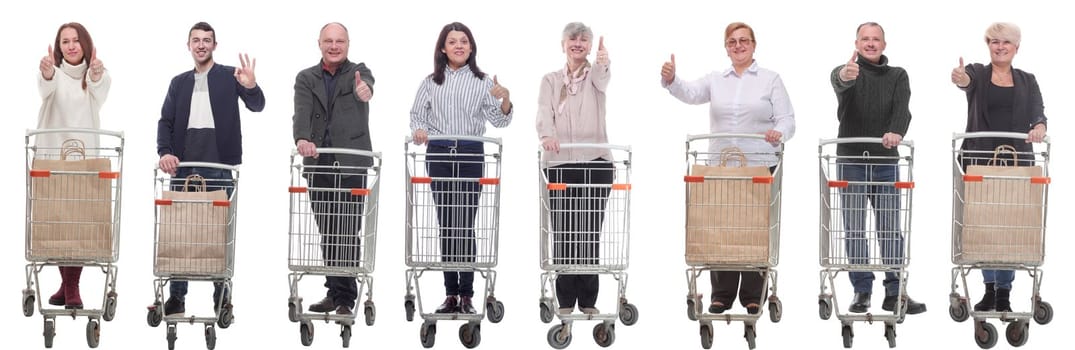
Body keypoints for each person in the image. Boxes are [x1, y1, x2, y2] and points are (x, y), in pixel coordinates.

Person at [661, 22, 794, 315]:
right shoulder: (716, 79)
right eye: (732, 42)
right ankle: (721, 293)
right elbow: (691, 93)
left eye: (743, 40)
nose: (738, 46)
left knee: (754, 229)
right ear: (726, 47)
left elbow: (787, 119)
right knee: (721, 227)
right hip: (721, 167)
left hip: (758, 166)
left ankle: (752, 293)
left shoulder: (771, 79)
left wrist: (778, 133)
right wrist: (672, 80)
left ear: (754, 45)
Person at [156, 21, 264, 316]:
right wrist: (165, 152)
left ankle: (221, 297)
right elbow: (165, 121)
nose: (201, 45)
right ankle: (176, 298)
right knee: (179, 235)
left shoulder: (231, 76)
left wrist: (251, 86)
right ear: (188, 45)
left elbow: (258, 106)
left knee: (219, 236)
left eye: (207, 40)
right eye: (196, 40)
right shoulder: (178, 82)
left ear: (215, 45)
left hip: (219, 167)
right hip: (184, 168)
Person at [409, 21, 512, 314]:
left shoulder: (483, 81)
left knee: (464, 223)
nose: (459, 46)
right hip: (439, 152)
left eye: (464, 41)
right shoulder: (430, 81)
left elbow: (500, 120)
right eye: (452, 41)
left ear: (471, 47)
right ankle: (450, 294)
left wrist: (504, 99)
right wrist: (419, 130)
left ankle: (467, 294)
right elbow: (417, 114)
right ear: (443, 48)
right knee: (446, 223)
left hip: (469, 152)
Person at [950, 22, 1047, 313]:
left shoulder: (1027, 80)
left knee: (1010, 227)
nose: (1000, 46)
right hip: (981, 160)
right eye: (994, 42)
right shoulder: (978, 73)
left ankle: (1004, 293)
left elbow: (1038, 112)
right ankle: (990, 290)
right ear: (988, 46)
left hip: (1017, 162)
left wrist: (1040, 126)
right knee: (984, 225)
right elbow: (965, 81)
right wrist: (960, 77)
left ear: (1016, 47)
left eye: (1006, 42)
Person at [830, 22, 925, 315]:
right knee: (855, 227)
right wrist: (845, 75)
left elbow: (902, 108)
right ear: (856, 44)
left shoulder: (898, 75)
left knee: (889, 227)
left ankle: (895, 290)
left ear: (884, 44)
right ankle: (862, 290)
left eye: (876, 39)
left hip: (885, 162)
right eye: (865, 39)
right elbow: (840, 81)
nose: (870, 44)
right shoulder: (847, 71)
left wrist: (896, 131)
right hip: (852, 162)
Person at [293, 22, 375, 316]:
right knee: (328, 230)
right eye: (328, 40)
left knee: (348, 230)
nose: (334, 46)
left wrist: (364, 90)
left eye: (339, 41)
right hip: (319, 164)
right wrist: (302, 138)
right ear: (319, 43)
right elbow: (301, 111)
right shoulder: (305, 77)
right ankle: (333, 291)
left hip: (352, 165)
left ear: (348, 43)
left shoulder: (359, 72)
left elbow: (367, 85)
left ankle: (345, 297)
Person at [537, 22, 613, 315]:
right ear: (563, 44)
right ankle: (566, 301)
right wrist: (546, 136)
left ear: (590, 47)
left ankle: (589, 301)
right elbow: (544, 110)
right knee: (565, 232)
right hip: (561, 164)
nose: (577, 43)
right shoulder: (551, 79)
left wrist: (604, 63)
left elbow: (604, 78)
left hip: (596, 164)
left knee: (589, 232)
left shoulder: (595, 75)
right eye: (572, 39)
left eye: (583, 40)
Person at [36, 22, 111, 310]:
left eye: (75, 40)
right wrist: (45, 72)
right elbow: (45, 87)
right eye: (65, 41)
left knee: (78, 224)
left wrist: (95, 75)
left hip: (84, 160)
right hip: (53, 157)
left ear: (85, 44)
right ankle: (67, 286)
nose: (70, 46)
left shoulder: (97, 74)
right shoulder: (52, 73)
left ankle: (71, 286)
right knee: (56, 222)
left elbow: (100, 91)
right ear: (58, 47)